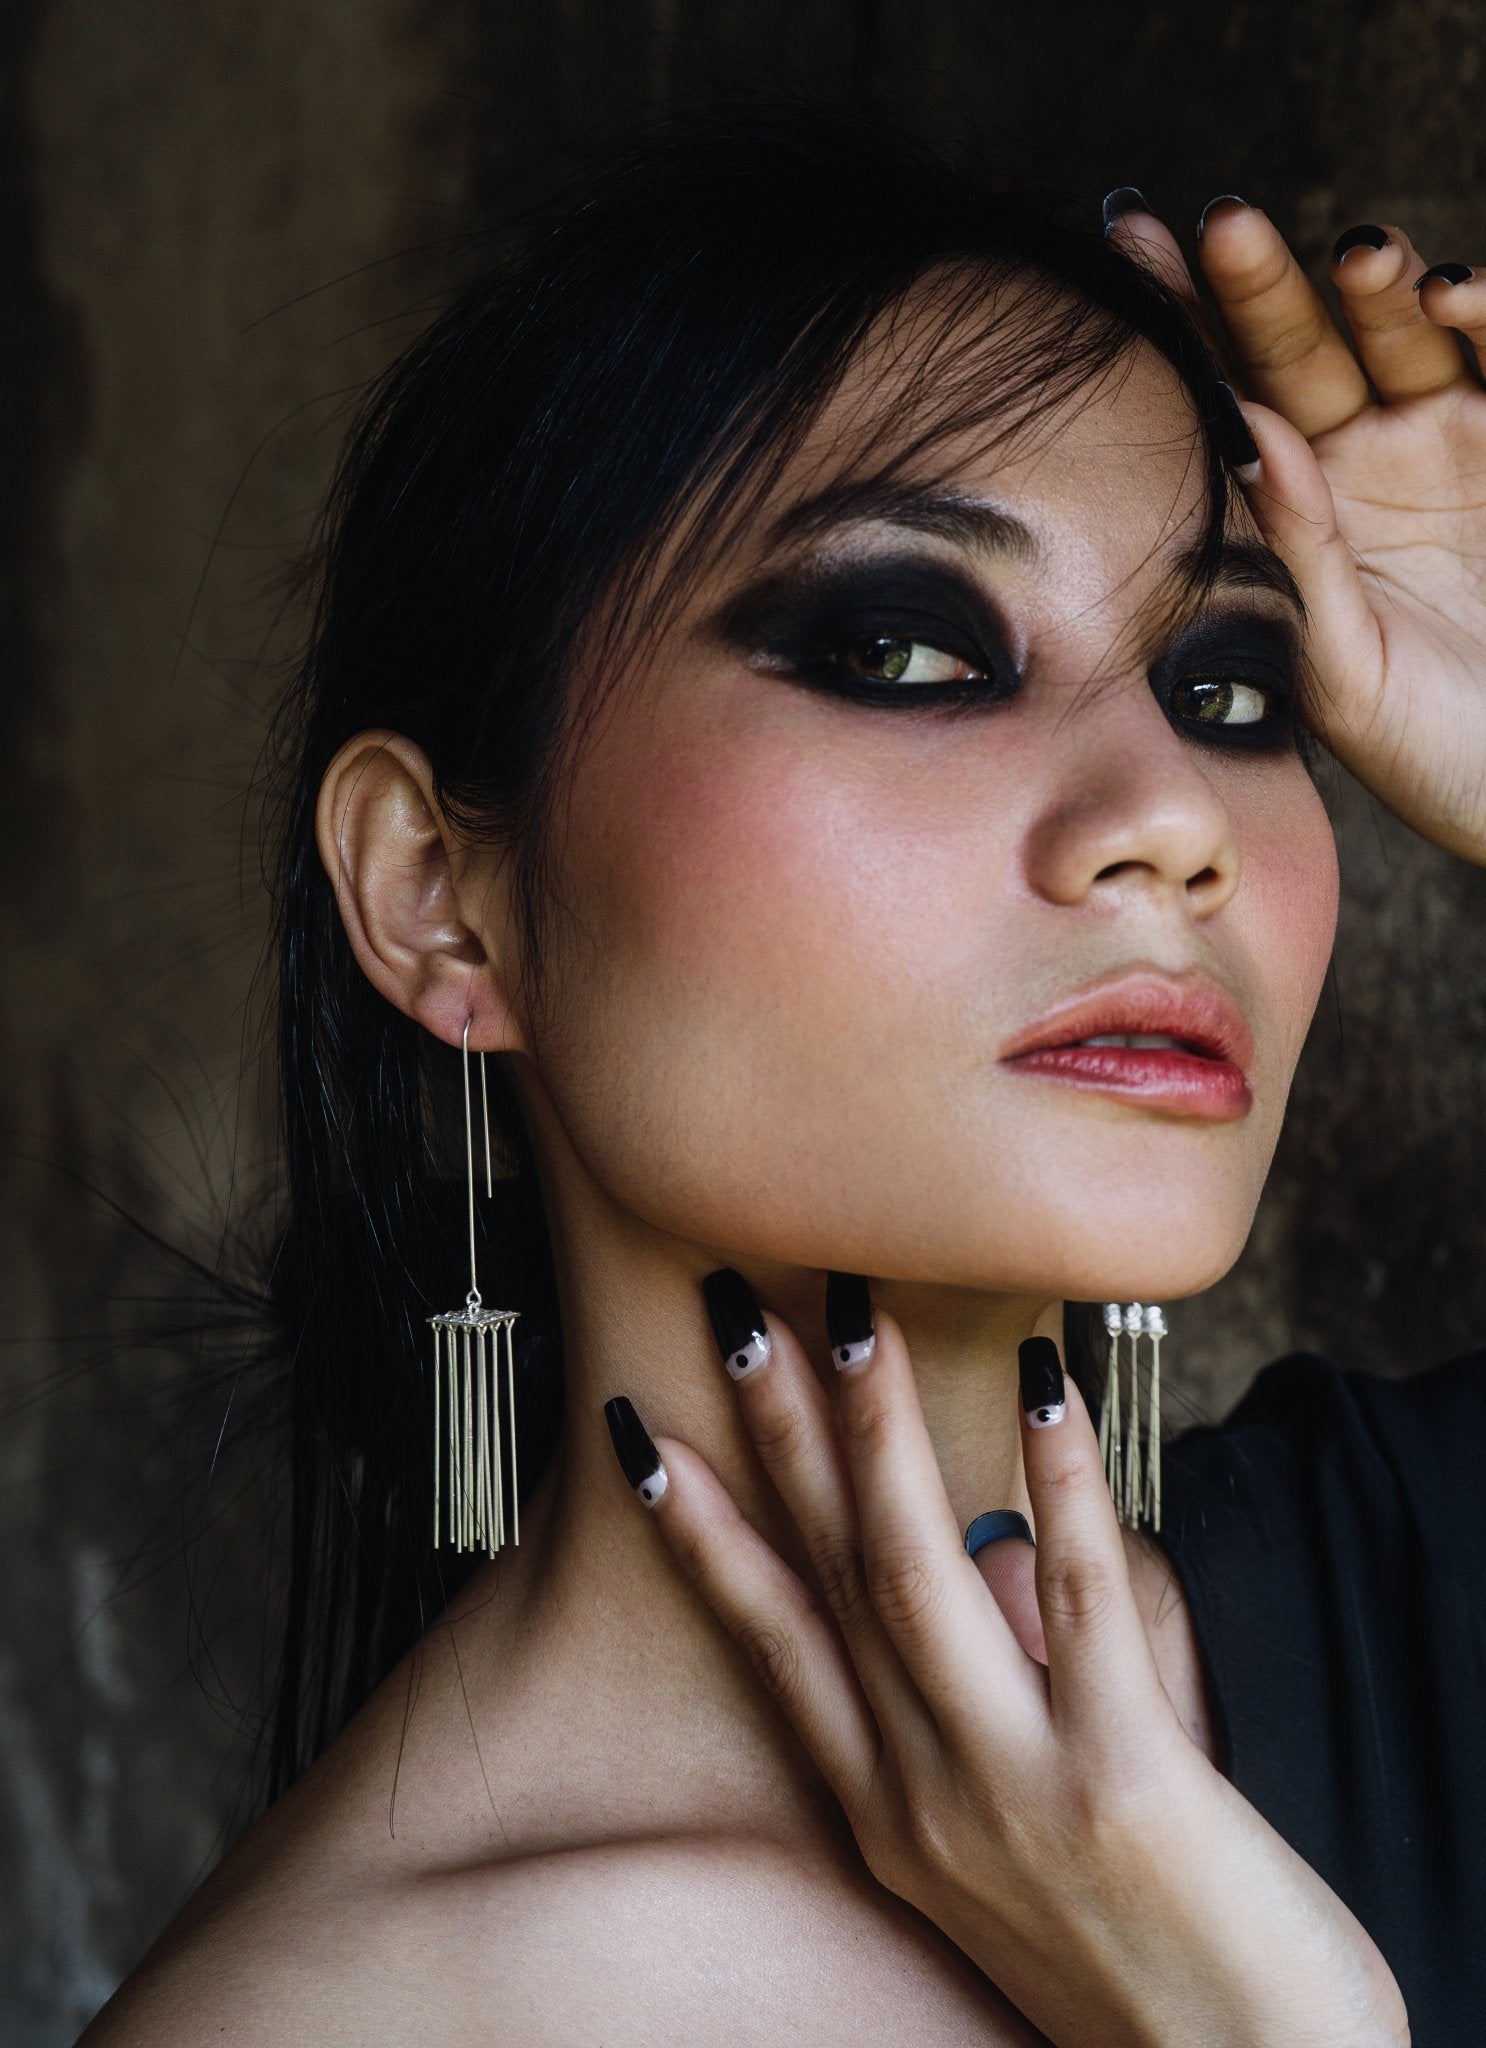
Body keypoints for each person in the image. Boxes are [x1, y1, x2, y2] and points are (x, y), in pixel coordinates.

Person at [78, 100, 1486, 2047]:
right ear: (435, 895)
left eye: (1227, 689)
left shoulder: (1424, 1601)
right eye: (904, 652)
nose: (1169, 817)